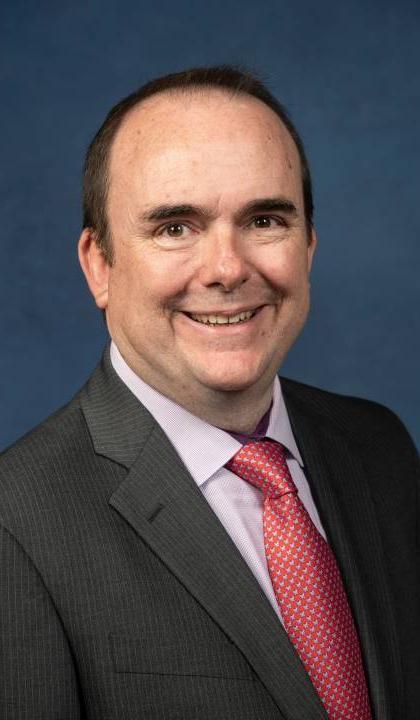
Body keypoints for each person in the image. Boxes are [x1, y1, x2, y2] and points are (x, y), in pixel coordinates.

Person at [0, 66, 418, 720]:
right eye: (175, 227)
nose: (227, 268)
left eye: (265, 220)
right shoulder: (15, 524)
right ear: (99, 265)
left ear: (307, 245)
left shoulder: (379, 447)